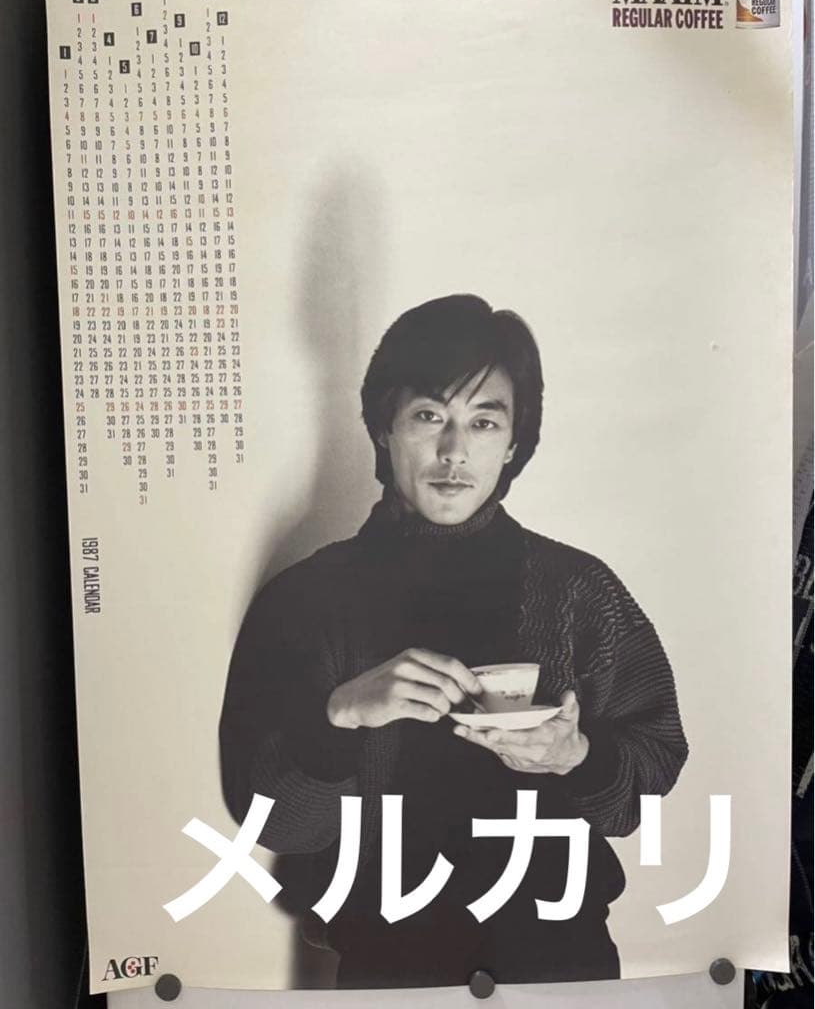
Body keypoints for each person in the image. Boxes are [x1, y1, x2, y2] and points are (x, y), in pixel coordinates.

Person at [219, 294, 688, 988]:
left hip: (561, 964)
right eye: (428, 416)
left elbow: (654, 764)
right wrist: (340, 715)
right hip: (388, 967)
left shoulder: (578, 590)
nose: (453, 451)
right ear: (384, 428)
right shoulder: (306, 600)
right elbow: (275, 824)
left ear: (514, 443)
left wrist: (576, 755)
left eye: (484, 422)